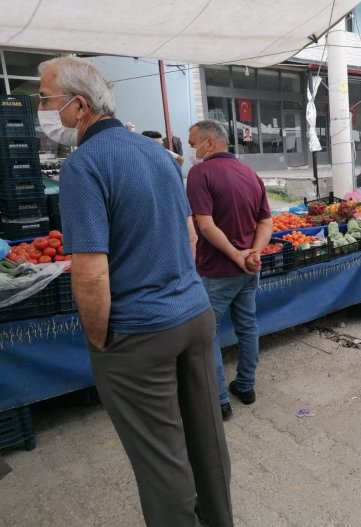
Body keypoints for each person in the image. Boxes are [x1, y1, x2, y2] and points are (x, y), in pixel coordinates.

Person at [37, 57, 233, 527]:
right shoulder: (158, 154)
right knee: (206, 441)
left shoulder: (84, 166)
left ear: (77, 106)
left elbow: (89, 273)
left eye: (45, 100)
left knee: (160, 459)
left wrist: (100, 339)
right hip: (193, 315)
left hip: (140, 333)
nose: (42, 110)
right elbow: (188, 236)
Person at [186, 120, 273, 415]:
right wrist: (254, 253)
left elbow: (205, 226)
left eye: (192, 142)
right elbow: (266, 222)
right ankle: (246, 386)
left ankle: (219, 400)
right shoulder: (250, 173)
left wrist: (238, 255)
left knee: (206, 334)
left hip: (217, 270)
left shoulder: (200, 173)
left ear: (209, 143)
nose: (190, 149)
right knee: (248, 326)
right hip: (248, 268)